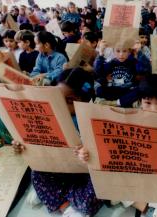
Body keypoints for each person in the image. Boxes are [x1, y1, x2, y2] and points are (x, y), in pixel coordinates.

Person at [77, 74, 157, 217]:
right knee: (111, 182)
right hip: (135, 175)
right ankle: (145, 207)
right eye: (147, 103)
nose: (153, 109)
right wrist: (86, 154)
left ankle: (155, 207)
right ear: (140, 102)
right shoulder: (129, 121)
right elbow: (106, 150)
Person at [12, 68, 102, 217]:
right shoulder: (47, 114)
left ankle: (56, 194)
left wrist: (88, 153)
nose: (62, 106)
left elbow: (100, 156)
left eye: (69, 101)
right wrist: (23, 144)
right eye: (57, 99)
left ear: (84, 99)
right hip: (58, 168)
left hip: (84, 173)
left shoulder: (92, 119)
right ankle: (65, 206)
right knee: (36, 174)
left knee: (97, 190)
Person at [93, 40, 151, 108]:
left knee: (139, 91)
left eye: (124, 51)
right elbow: (99, 71)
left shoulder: (133, 62)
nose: (121, 54)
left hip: (128, 90)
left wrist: (139, 52)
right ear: (113, 52)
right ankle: (125, 102)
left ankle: (117, 103)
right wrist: (101, 53)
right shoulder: (112, 62)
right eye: (118, 51)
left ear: (129, 52)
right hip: (114, 89)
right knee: (99, 89)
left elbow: (144, 70)